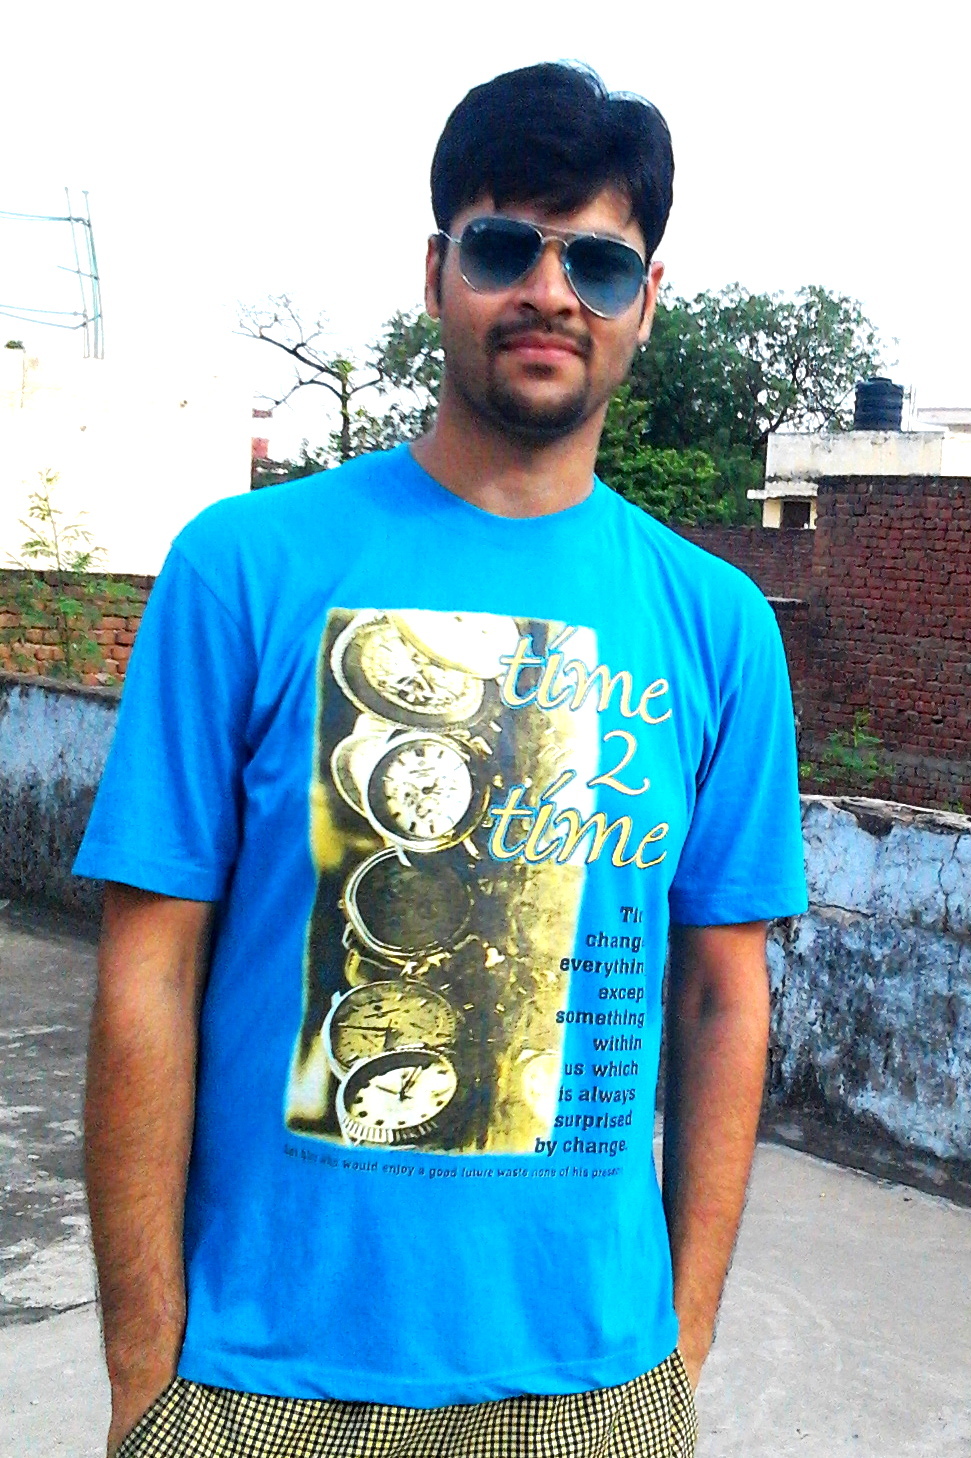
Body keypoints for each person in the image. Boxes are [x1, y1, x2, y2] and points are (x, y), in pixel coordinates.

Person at [78, 61, 808, 1458]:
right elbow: (148, 972)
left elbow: (726, 995)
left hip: (595, 1389)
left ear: (646, 299)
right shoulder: (245, 568)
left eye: (598, 261)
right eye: (503, 246)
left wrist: (684, 1338)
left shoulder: (716, 624)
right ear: (435, 273)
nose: (550, 291)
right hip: (255, 1380)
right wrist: (143, 1369)